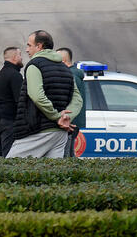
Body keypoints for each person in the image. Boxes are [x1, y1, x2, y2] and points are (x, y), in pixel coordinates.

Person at [6, 30, 82, 159]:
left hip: (36, 131)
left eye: (29, 45)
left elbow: (37, 96)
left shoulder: (34, 65)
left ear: (39, 46)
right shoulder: (65, 69)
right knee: (51, 174)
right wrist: (67, 118)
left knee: (10, 168)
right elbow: (77, 99)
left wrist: (57, 117)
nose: (26, 49)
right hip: (60, 133)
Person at [0, 46, 24, 157]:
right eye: (20, 55)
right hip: (9, 123)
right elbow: (20, 101)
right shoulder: (15, 75)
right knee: (9, 157)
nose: (21, 58)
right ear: (14, 57)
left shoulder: (0, 74)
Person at [57, 46, 86, 158]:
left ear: (63, 61)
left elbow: (69, 101)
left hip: (69, 121)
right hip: (73, 121)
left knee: (66, 156)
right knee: (69, 155)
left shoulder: (70, 76)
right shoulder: (75, 75)